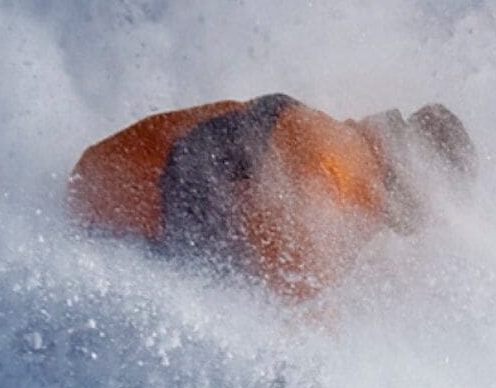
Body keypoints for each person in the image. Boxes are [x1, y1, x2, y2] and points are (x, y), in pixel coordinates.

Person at [69, 94, 474, 300]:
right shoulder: (338, 164)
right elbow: (297, 288)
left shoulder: (346, 166)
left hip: (110, 218)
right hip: (108, 225)